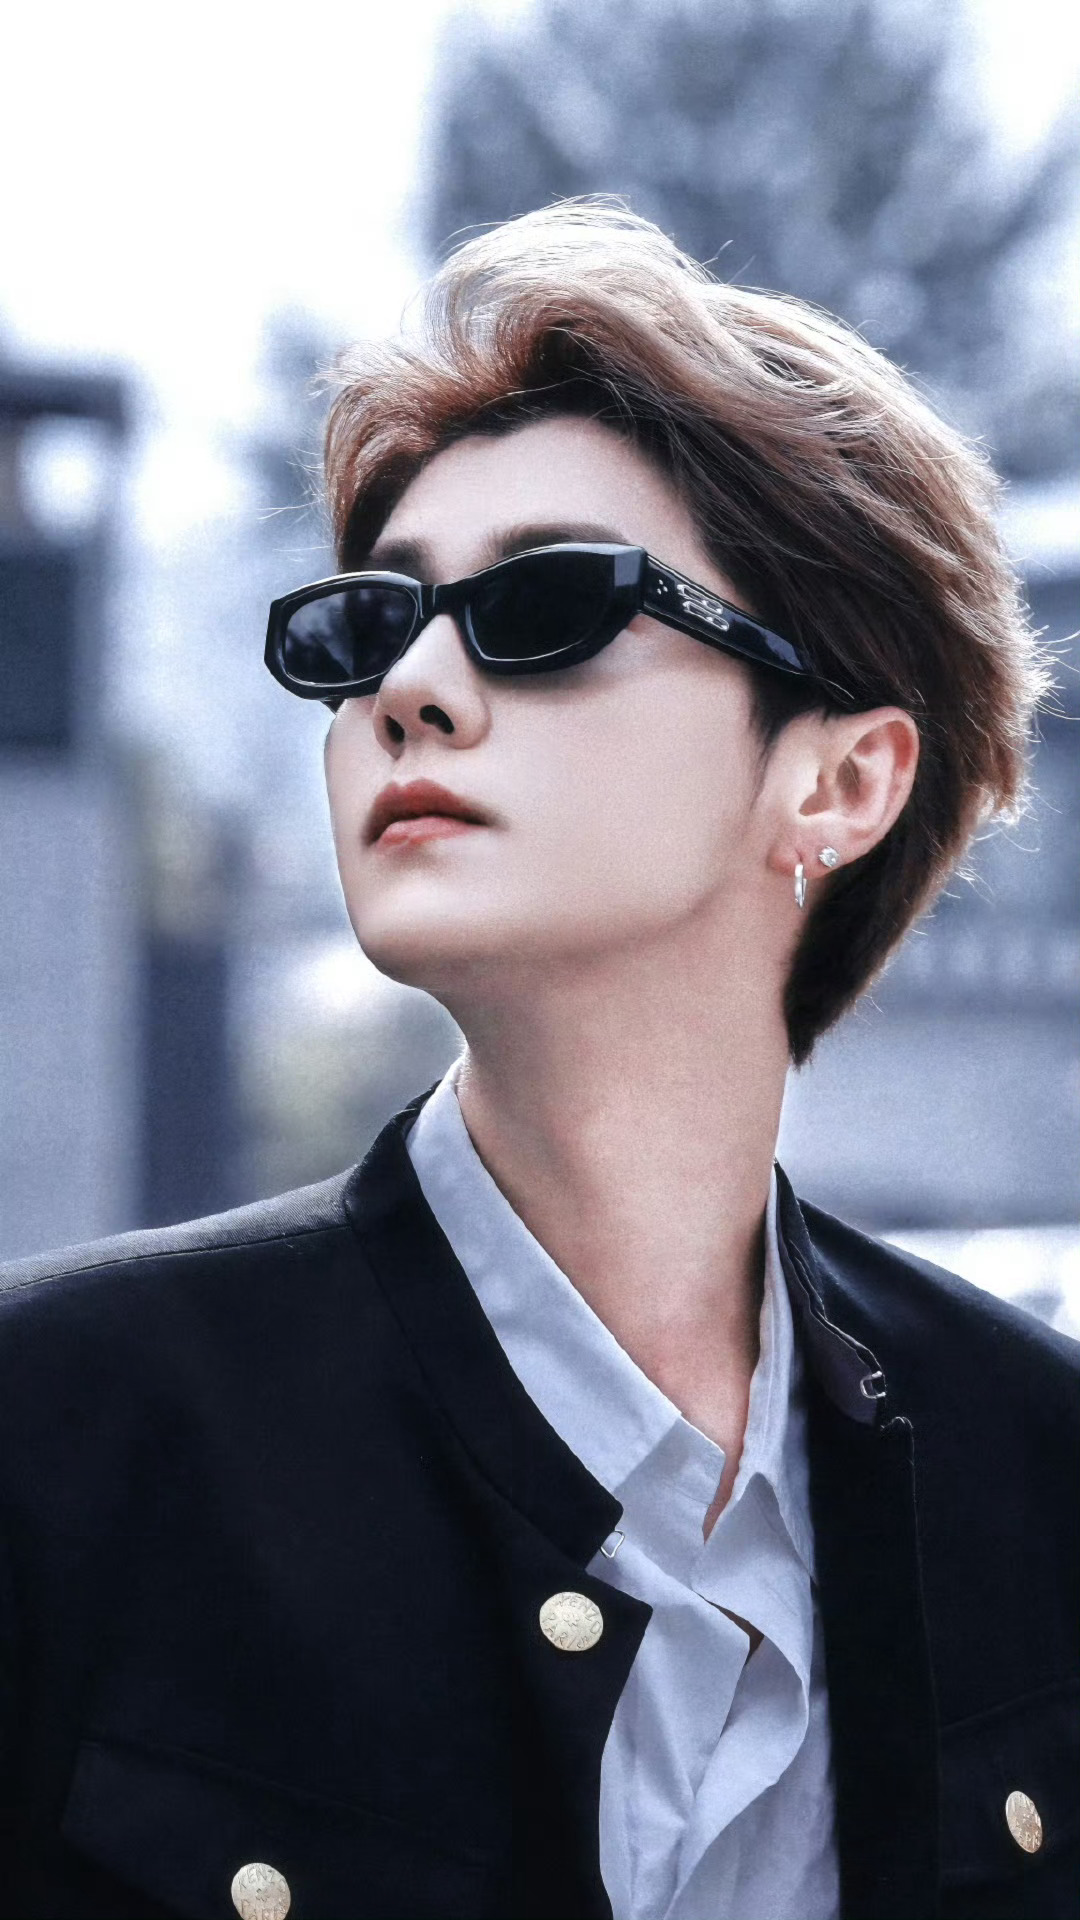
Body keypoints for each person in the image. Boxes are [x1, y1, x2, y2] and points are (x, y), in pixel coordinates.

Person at [0, 202, 1076, 1920]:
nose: (410, 687)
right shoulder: (59, 1438)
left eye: (551, 602)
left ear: (841, 780)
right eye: (367, 626)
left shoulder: (1037, 1472)